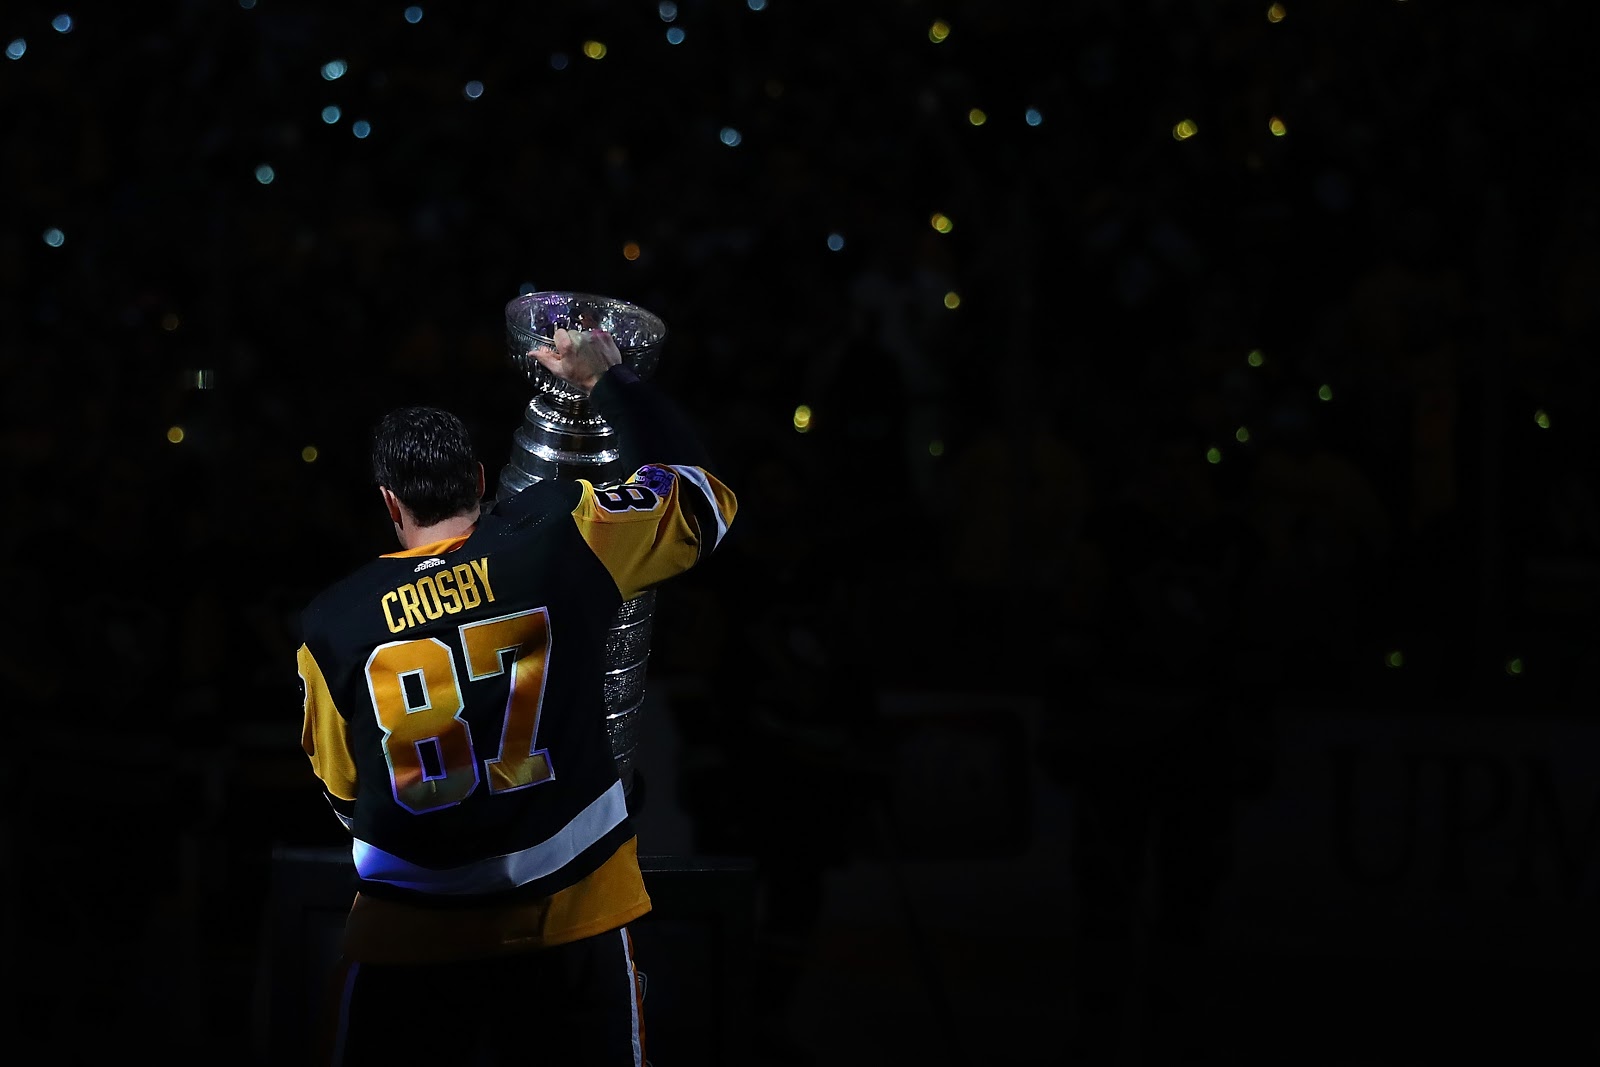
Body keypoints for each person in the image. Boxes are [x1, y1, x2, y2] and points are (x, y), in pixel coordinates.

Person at [295, 325, 737, 1066]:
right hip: (568, 923)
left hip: (406, 945)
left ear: (389, 501)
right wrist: (611, 380)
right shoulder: (563, 537)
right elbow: (704, 497)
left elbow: (344, 787)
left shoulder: (330, 624)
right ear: (479, 477)